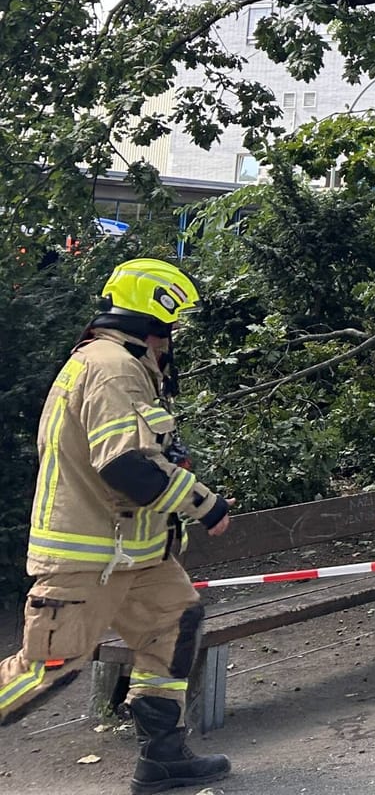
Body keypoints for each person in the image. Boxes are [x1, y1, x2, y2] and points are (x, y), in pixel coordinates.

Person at [0, 259, 237, 794]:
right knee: (48, 667)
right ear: (157, 324)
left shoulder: (118, 363)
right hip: (90, 556)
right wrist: (206, 504)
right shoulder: (113, 367)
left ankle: (165, 757)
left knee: (175, 623)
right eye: (172, 331)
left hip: (133, 554)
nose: (172, 344)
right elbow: (124, 465)